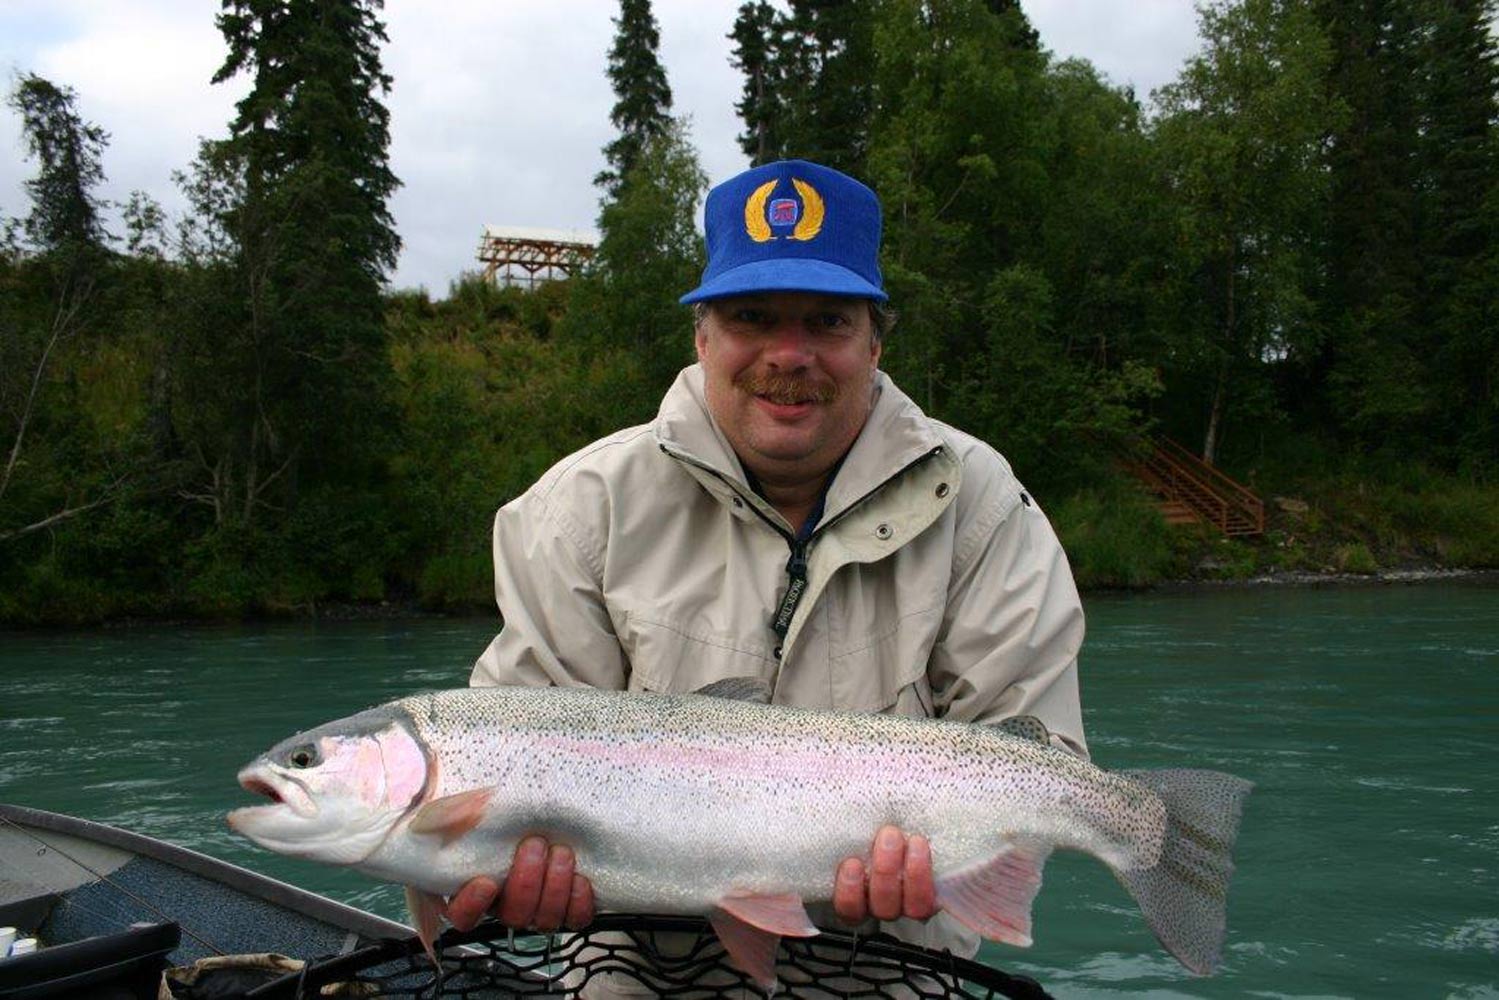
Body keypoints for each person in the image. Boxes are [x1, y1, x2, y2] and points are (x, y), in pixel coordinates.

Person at [448, 159, 1087, 966]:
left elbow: (1041, 761)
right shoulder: (577, 510)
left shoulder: (981, 502)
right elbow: (508, 743)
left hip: (899, 973)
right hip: (634, 973)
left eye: (827, 322)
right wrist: (500, 871)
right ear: (702, 336)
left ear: (875, 342)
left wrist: (964, 858)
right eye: (752, 317)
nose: (789, 354)